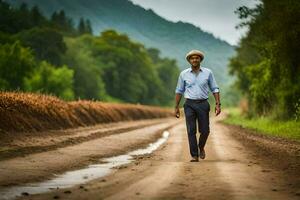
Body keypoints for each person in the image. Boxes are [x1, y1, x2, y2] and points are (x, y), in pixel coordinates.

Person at [174, 49, 221, 162]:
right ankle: (194, 155)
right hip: (189, 104)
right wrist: (176, 107)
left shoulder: (208, 73)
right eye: (192, 58)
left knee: (205, 131)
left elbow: (214, 88)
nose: (194, 59)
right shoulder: (183, 74)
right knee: (191, 130)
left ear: (200, 60)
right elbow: (179, 90)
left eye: (197, 58)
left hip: (203, 104)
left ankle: (201, 147)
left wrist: (218, 104)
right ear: (189, 60)